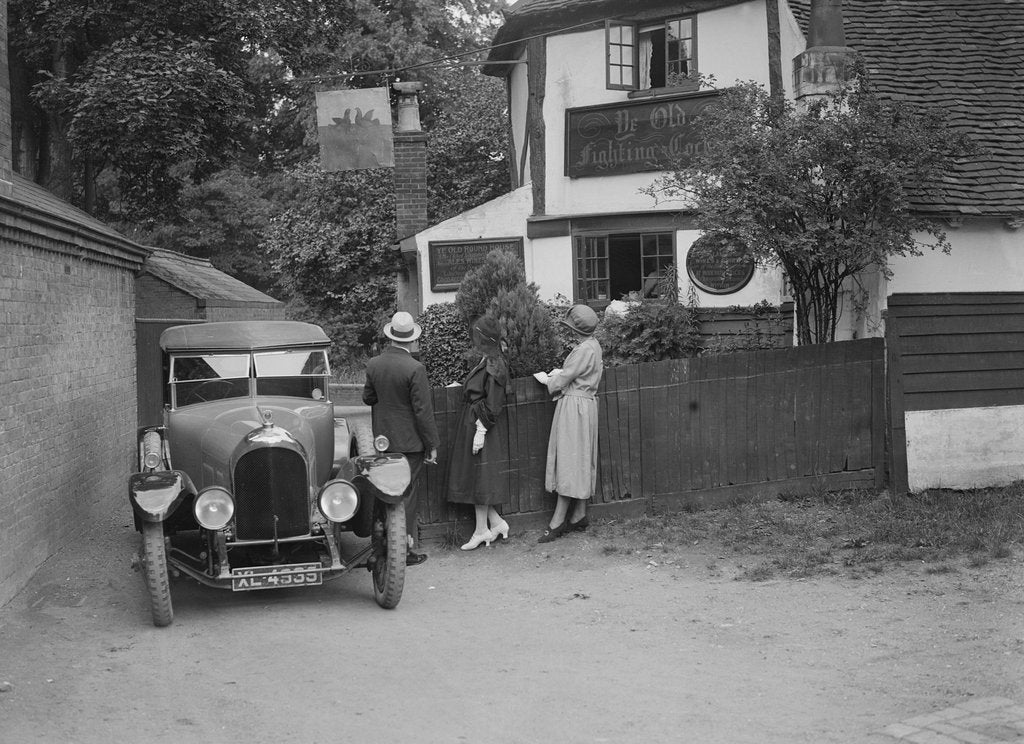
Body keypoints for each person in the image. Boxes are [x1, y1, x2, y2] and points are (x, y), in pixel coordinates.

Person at [362, 311, 439, 565]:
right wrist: (432, 445)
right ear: (411, 340)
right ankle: (403, 549)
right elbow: (423, 412)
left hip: (383, 441)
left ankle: (378, 547)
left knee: (382, 491)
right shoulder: (415, 368)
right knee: (406, 494)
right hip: (410, 443)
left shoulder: (374, 364)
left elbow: (368, 398)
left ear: (391, 336)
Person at [538, 304, 603, 543]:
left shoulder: (581, 350)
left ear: (576, 329)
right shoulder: (594, 346)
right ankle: (579, 514)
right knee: (582, 457)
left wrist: (549, 380)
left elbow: (563, 380)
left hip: (574, 407)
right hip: (586, 405)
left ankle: (558, 521)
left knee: (569, 459)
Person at [446, 316, 511, 550]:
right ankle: (496, 523)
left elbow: (494, 403)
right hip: (473, 421)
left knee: (480, 479)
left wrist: (481, 430)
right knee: (475, 477)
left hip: (482, 424)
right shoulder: (487, 359)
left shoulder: (495, 363)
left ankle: (482, 531)